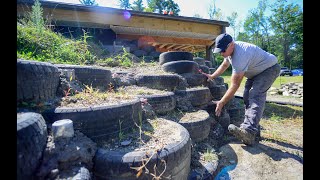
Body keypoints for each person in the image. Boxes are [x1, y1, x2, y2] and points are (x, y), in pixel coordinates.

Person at [201, 33, 280, 145]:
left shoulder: (241, 55)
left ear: (231, 44)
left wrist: (221, 102)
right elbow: (224, 65)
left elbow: (235, 85)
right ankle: (253, 129)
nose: (221, 54)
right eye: (220, 51)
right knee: (247, 97)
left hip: (269, 69)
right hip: (255, 73)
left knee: (255, 95)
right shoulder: (229, 52)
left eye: (223, 51)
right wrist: (212, 76)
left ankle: (249, 132)